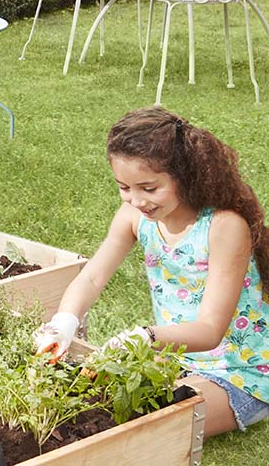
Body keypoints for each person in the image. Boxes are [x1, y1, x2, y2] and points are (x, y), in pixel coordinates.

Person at [35, 107, 269, 437]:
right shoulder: (133, 216)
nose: (136, 200)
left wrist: (145, 337)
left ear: (184, 176)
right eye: (124, 187)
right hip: (177, 359)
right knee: (98, 398)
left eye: (149, 188)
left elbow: (209, 330)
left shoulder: (224, 227)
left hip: (238, 372)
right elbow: (92, 276)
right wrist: (64, 322)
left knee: (145, 422)